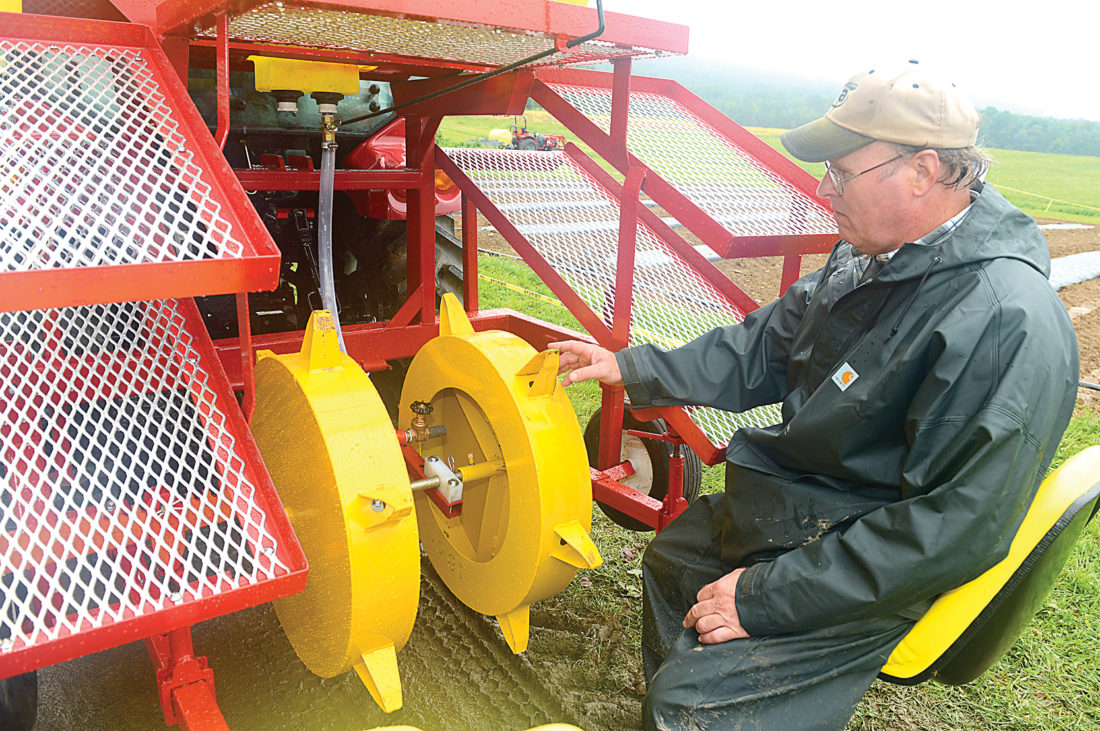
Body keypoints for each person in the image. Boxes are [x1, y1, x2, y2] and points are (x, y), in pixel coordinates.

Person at [551, 62, 1079, 730]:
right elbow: (765, 346)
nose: (824, 188)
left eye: (841, 170)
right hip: (819, 507)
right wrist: (631, 368)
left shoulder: (1002, 321)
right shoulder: (874, 257)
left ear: (922, 171)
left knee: (689, 706)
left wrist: (762, 598)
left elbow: (950, 526)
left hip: (879, 562)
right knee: (677, 558)